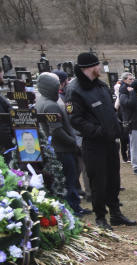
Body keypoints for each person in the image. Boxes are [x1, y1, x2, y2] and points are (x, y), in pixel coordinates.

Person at [64, 52, 136, 230]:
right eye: (97, 66)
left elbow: (111, 112)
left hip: (110, 141)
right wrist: (98, 131)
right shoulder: (75, 90)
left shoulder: (101, 86)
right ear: (87, 68)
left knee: (113, 179)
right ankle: (100, 217)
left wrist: (118, 127)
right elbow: (76, 120)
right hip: (94, 144)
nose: (100, 69)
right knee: (99, 181)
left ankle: (115, 213)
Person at [35, 72, 84, 215]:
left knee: (67, 179)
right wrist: (73, 142)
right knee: (69, 179)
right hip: (61, 149)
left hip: (56, 148)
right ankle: (73, 208)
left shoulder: (41, 102)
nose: (58, 91)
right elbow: (56, 131)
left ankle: (75, 206)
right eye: (56, 89)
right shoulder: (50, 106)